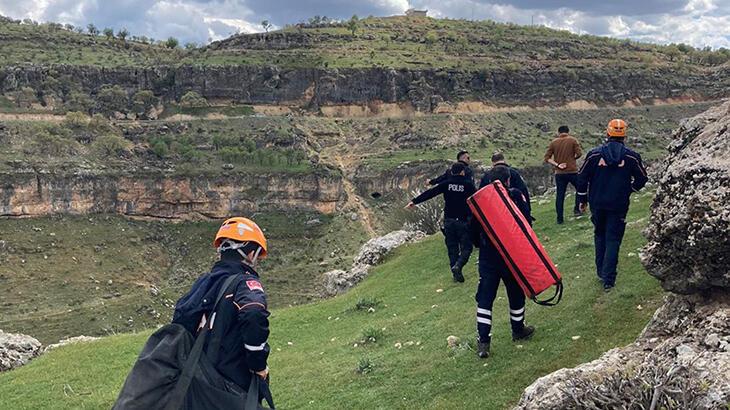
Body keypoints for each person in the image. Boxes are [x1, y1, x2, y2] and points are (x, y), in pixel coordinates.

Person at [172, 217, 272, 396]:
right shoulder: (246, 282)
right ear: (250, 254)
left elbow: (180, 319)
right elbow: (253, 313)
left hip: (197, 381)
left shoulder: (203, 282)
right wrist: (258, 364)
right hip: (230, 386)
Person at [470, 166, 535, 358]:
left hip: (489, 256)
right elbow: (525, 220)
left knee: (485, 297)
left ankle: (483, 342)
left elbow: (472, 227)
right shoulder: (515, 195)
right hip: (512, 255)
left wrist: (480, 244)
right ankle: (518, 329)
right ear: (508, 180)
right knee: (515, 292)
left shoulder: (481, 201)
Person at [577, 119, 648, 291]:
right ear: (624, 135)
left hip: (597, 203)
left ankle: (601, 271)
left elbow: (582, 177)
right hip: (619, 204)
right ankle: (609, 279)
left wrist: (583, 199)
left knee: (599, 235)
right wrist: (630, 189)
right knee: (613, 238)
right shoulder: (631, 156)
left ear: (607, 133)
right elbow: (642, 178)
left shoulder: (594, 155)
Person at [407, 162, 476, 282]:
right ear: (462, 172)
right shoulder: (468, 185)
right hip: (463, 221)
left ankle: (455, 274)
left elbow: (430, 193)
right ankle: (458, 265)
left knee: (452, 248)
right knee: (467, 247)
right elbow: (477, 200)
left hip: (449, 221)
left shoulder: (447, 184)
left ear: (452, 172)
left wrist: (414, 201)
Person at [544, 125, 583, 224]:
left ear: (558, 132)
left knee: (560, 195)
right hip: (572, 171)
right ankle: (577, 210)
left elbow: (547, 158)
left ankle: (560, 219)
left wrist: (558, 164)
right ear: (568, 132)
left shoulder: (554, 142)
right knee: (580, 189)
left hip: (559, 173)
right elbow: (579, 154)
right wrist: (572, 159)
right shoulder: (573, 140)